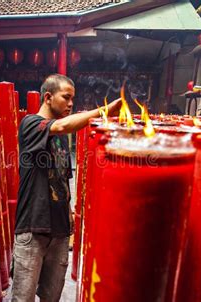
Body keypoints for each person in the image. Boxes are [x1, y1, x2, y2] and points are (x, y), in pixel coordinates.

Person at [12, 74, 121, 302]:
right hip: (33, 227)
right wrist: (103, 111)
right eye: (66, 97)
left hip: (59, 230)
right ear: (48, 97)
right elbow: (61, 126)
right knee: (23, 298)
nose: (71, 104)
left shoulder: (62, 138)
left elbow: (62, 177)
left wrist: (70, 215)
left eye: (73, 99)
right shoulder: (30, 124)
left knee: (52, 296)